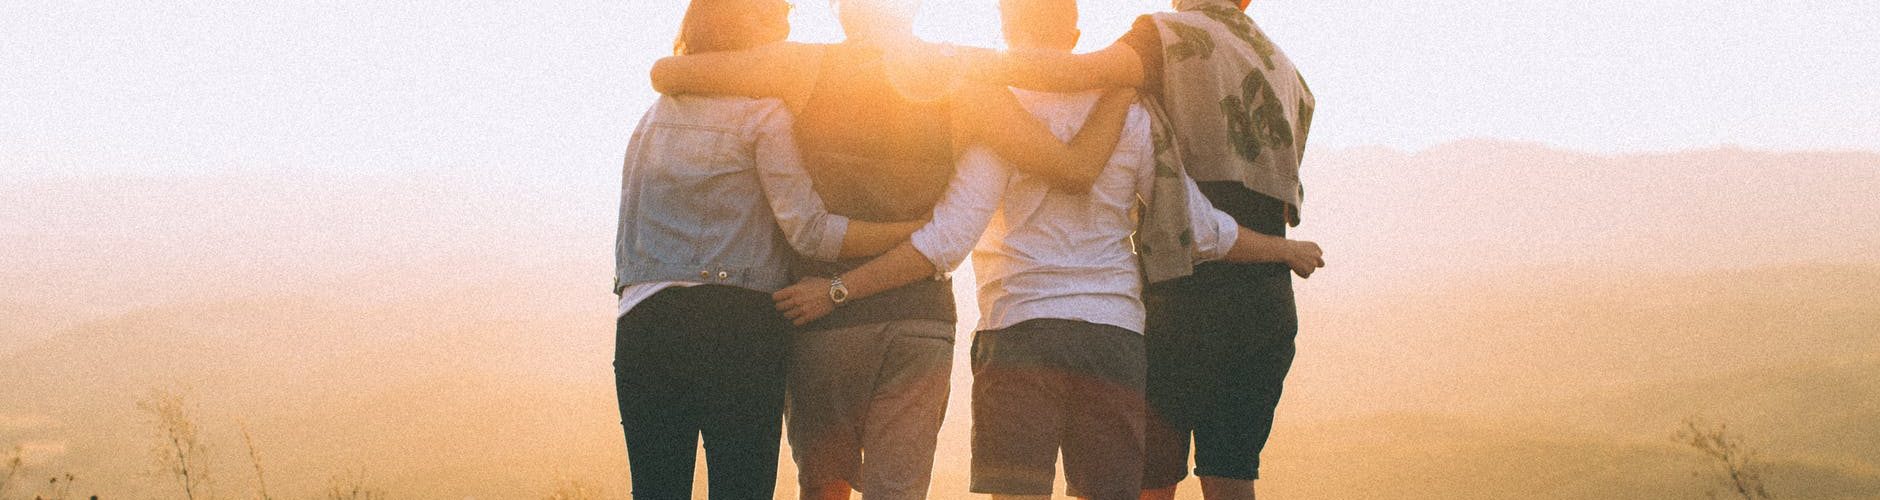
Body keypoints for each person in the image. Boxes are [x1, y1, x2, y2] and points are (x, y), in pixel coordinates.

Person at [771, 1, 1324, 499]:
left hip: (1019, 332)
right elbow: (1199, 229)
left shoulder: (998, 116)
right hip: (1113, 336)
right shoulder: (1130, 113)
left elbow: (947, 241)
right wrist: (1283, 250)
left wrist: (840, 289)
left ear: (1005, 29)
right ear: (1076, 33)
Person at [648, 2, 1139, 499]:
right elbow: (1074, 169)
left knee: (824, 486)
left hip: (824, 322)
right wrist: (1123, 87)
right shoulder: (964, 83)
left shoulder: (801, 66)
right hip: (920, 320)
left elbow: (667, 73)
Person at [969, 1, 1317, 498]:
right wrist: (1283, 251)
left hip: (1181, 297)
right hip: (1265, 301)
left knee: (1149, 481)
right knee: (1234, 476)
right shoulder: (1286, 70)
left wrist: (954, 64)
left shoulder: (1167, 37)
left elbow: (1073, 74)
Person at [611, 1, 930, 497]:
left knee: (656, 490)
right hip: (737, 326)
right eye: (774, 19)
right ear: (745, 29)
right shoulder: (763, 114)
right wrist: (908, 231)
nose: (784, 34)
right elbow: (810, 232)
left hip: (644, 324)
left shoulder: (651, 118)